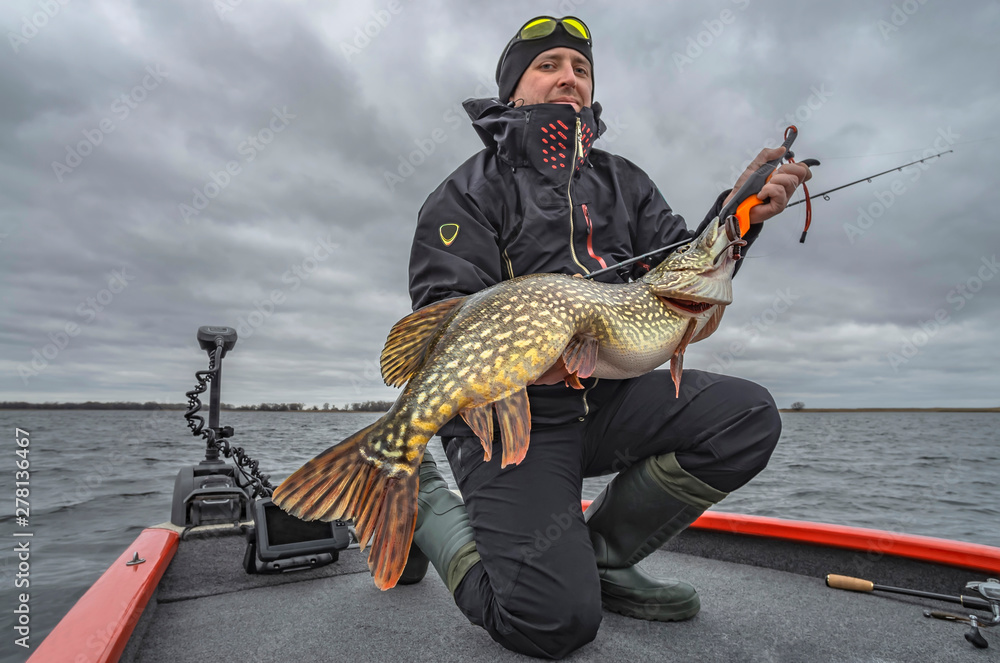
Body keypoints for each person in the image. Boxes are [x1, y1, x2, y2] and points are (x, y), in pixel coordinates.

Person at [402, 15, 811, 660]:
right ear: (514, 88)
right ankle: (424, 502)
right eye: (549, 65)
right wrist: (532, 357)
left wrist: (738, 217)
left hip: (604, 398)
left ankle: (603, 559)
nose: (569, 76)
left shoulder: (626, 183)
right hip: (507, 421)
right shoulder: (466, 192)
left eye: (581, 68)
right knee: (549, 623)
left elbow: (677, 271)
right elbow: (442, 312)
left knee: (747, 417)